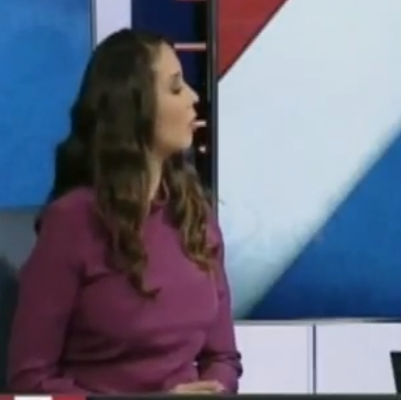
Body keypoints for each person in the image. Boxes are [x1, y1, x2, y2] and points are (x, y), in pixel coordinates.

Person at [7, 29, 242, 394]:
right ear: (134, 108)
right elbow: (29, 382)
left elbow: (223, 358)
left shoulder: (195, 215)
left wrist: (216, 390)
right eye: (176, 88)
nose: (194, 97)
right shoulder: (72, 222)